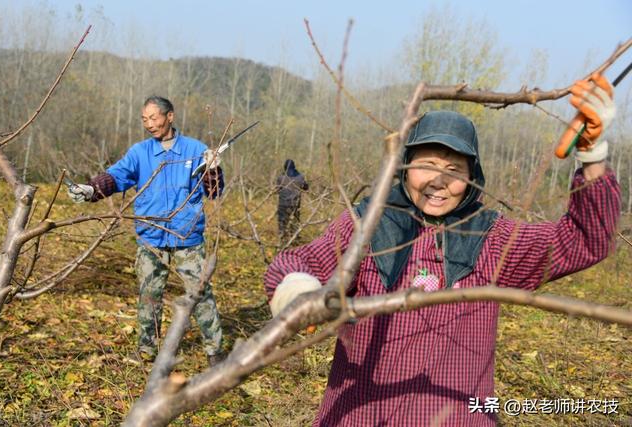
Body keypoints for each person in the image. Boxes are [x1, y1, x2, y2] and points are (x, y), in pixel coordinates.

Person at [264, 74, 620, 426]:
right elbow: (298, 263)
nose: (439, 180)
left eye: (454, 169)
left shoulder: (494, 238)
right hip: (362, 414)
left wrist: (592, 155)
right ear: (403, 168)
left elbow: (583, 240)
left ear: (472, 178)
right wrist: (299, 294)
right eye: (426, 165)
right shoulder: (369, 224)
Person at [68, 96, 226, 366]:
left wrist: (213, 169)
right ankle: (147, 351)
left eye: (154, 118)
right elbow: (117, 177)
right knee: (149, 296)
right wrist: (92, 189)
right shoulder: (140, 153)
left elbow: (213, 192)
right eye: (144, 119)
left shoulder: (194, 149)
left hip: (187, 236)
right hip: (150, 237)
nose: (149, 124)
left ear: (170, 117)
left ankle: (215, 352)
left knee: (199, 294)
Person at [275, 159, 309, 244]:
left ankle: (282, 239)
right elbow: (305, 188)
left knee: (282, 221)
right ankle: (295, 239)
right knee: (295, 221)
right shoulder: (300, 177)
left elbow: (277, 190)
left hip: (283, 203)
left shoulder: (280, 178)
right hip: (295, 204)